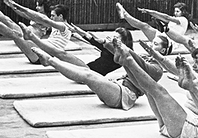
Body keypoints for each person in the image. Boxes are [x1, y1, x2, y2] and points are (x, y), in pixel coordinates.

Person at [30, 31, 168, 110]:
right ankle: (42, 49)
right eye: (151, 42)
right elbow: (128, 57)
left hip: (124, 96)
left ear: (162, 50)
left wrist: (121, 47)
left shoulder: (158, 70)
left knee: (88, 75)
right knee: (84, 70)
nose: (150, 45)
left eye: (155, 44)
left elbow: (136, 62)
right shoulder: (145, 59)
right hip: (116, 87)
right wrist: (108, 44)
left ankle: (50, 61)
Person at [128, 39, 198, 138]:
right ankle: (126, 61)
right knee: (148, 90)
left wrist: (193, 90)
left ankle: (128, 60)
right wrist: (155, 54)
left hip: (190, 127)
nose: (195, 65)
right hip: (176, 123)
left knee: (158, 90)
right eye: (195, 61)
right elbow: (173, 67)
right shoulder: (194, 75)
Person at [0, 0, 71, 64]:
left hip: (41, 56)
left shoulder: (63, 27)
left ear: (60, 16)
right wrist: (14, 7)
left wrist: (17, 6)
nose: (51, 18)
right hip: (39, 50)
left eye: (53, 16)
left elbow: (37, 17)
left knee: (15, 34)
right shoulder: (57, 26)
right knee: (10, 25)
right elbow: (27, 14)